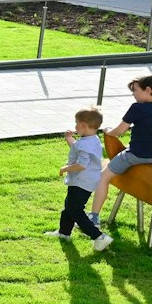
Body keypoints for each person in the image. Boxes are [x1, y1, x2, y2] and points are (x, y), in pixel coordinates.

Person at [89, 75, 152, 223]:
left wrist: (107, 131)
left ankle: (94, 217)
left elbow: (119, 131)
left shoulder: (137, 108)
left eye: (135, 90)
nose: (133, 94)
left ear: (147, 90)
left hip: (136, 155)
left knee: (104, 177)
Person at [54, 107, 113, 251]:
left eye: (76, 123)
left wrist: (65, 168)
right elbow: (78, 148)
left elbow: (81, 164)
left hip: (81, 182)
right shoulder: (92, 140)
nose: (75, 126)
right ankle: (64, 233)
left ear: (83, 125)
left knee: (75, 210)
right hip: (88, 181)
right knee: (69, 206)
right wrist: (69, 139)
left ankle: (99, 237)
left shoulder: (84, 143)